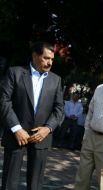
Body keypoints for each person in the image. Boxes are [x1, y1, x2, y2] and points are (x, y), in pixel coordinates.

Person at [0, 41, 64, 190]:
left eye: (52, 59)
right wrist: (16, 128)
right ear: (35, 56)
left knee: (36, 184)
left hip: (41, 137)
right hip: (16, 135)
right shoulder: (15, 73)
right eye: (46, 58)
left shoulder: (56, 80)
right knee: (9, 181)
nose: (49, 62)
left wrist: (47, 129)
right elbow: (4, 102)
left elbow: (59, 109)